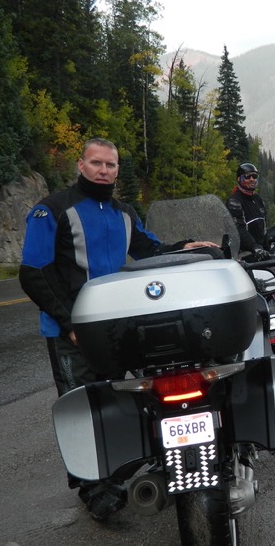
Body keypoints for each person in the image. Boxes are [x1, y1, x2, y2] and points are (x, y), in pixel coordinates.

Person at [19, 137, 217, 520]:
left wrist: (188, 248)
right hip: (72, 332)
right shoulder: (52, 210)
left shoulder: (123, 212)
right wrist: (69, 321)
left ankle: (137, 464)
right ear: (81, 164)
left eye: (110, 165)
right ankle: (94, 491)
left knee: (130, 397)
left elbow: (149, 250)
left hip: (119, 323)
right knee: (85, 408)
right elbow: (34, 273)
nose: (103, 171)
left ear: (117, 170)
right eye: (96, 163)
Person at [226, 162, 270, 261]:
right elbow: (238, 229)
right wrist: (254, 247)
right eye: (247, 176)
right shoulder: (234, 201)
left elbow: (264, 228)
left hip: (260, 252)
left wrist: (268, 250)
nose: (251, 179)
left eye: (254, 176)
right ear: (239, 179)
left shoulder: (258, 199)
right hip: (243, 254)